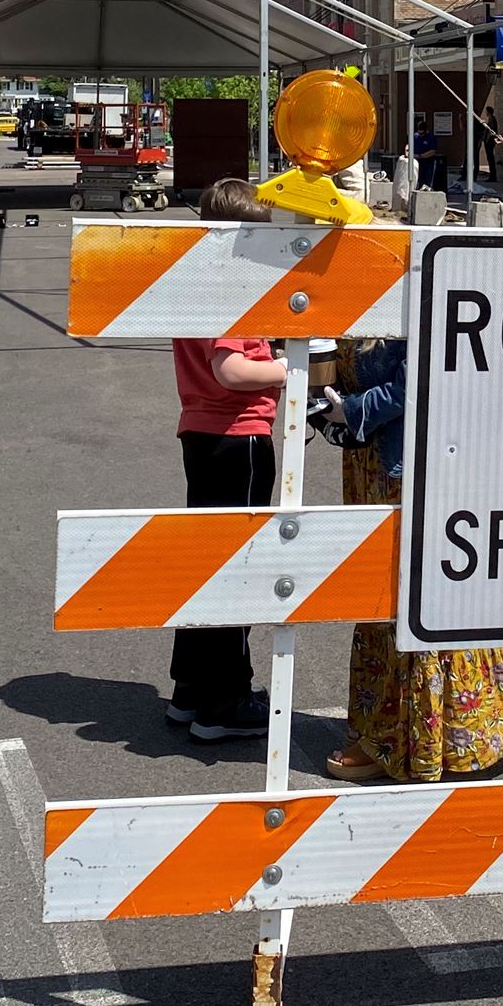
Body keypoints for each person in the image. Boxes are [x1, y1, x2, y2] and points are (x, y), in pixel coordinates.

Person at [312, 338, 503, 783]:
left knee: (417, 596)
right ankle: (416, 734)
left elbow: (423, 380)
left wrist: (350, 410)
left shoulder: (416, 277)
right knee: (381, 594)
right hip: (374, 465)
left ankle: (414, 739)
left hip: (413, 467)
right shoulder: (353, 286)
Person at [166, 177, 285, 742]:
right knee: (236, 571)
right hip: (238, 434)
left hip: (201, 430)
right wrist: (294, 370)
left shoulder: (194, 280)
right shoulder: (235, 285)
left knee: (203, 564)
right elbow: (232, 369)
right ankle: (227, 699)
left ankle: (190, 690)